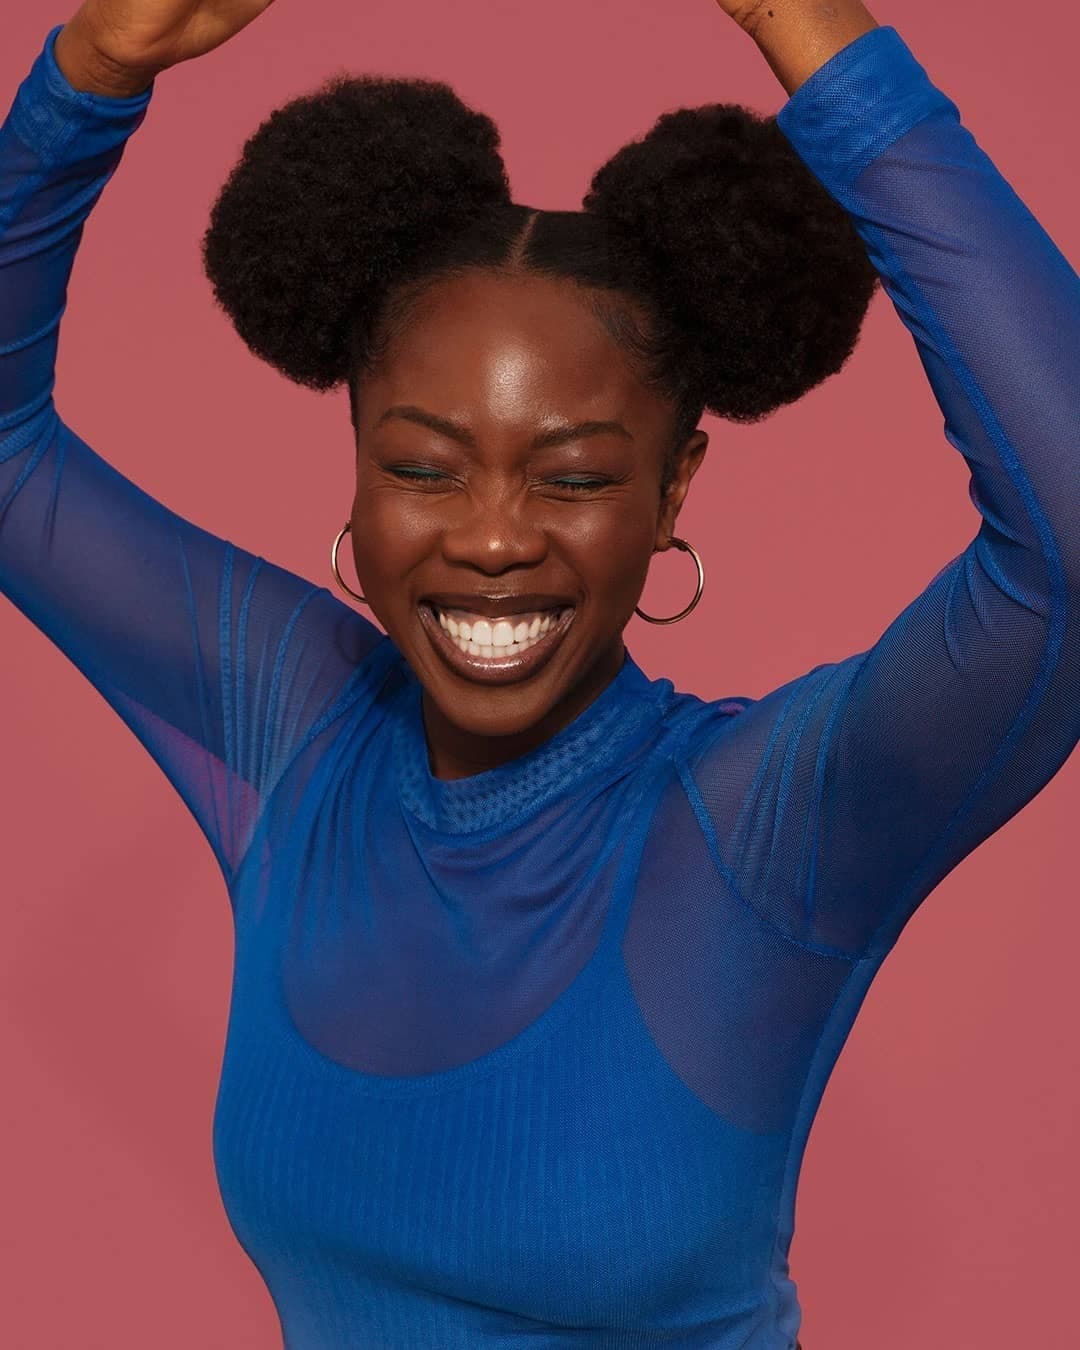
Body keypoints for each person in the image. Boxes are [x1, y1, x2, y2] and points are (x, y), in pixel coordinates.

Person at [1, 0, 1076, 1344]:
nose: (494, 538)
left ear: (673, 486)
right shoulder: (296, 729)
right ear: (355, 460)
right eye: (422, 466)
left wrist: (811, 33)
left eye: (571, 478)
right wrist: (87, 77)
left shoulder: (763, 824)